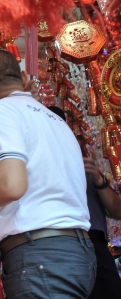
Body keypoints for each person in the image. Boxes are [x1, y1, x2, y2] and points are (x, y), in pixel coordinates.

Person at [0, 48, 96, 298]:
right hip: (75, 252)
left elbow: (10, 186)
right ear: (22, 77)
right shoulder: (54, 120)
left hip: (40, 255)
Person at [47, 105, 121, 298]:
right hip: (53, 247)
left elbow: (117, 211)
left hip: (93, 243)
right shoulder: (28, 167)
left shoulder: (84, 165)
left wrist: (98, 180)